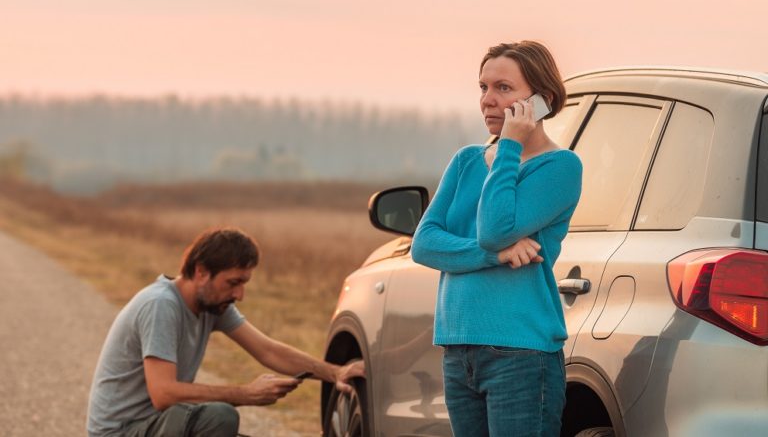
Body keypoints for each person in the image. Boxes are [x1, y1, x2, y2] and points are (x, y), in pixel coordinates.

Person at [411, 41, 582, 436]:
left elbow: (495, 229)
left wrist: (509, 146)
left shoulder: (560, 167)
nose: (488, 100)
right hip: (458, 349)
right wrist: (496, 256)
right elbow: (425, 244)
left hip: (519, 353)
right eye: (483, 87)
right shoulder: (466, 161)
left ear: (543, 100)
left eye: (503, 88)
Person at [86, 227, 364, 437]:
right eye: (233, 283)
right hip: (120, 431)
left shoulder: (212, 305)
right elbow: (164, 393)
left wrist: (334, 372)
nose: (240, 294)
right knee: (219, 418)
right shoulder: (161, 305)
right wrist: (246, 394)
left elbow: (268, 350)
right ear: (202, 272)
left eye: (243, 284)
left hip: (154, 425)